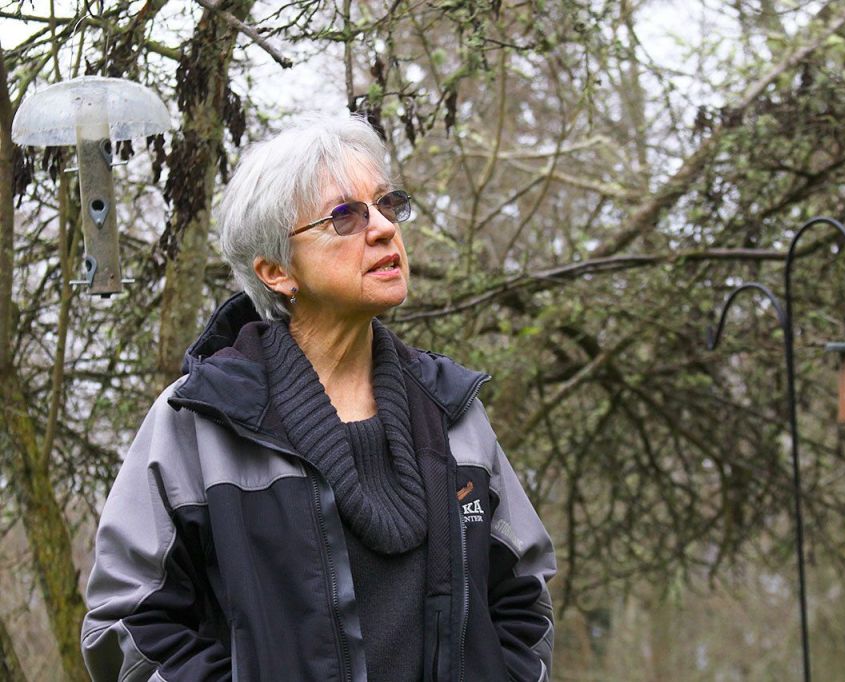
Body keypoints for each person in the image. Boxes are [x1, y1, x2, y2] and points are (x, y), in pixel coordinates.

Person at [80, 115, 556, 682]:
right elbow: (127, 623)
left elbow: (522, 600)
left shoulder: (453, 412)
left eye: (386, 204)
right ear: (276, 270)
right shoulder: (200, 423)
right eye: (345, 216)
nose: (382, 228)